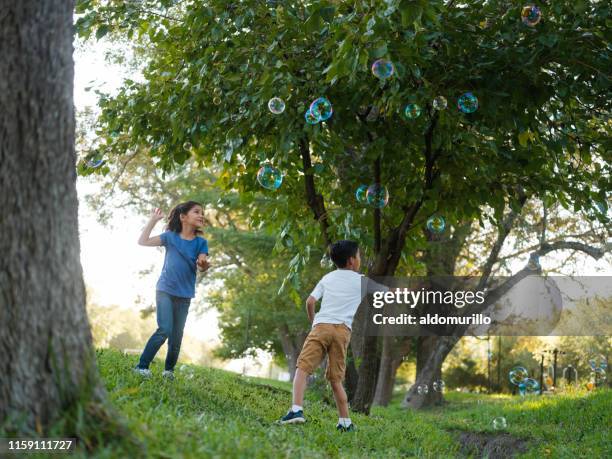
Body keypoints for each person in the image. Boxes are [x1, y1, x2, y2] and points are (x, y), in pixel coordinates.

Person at [279, 240, 388, 432]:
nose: (360, 259)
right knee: (336, 379)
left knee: (303, 368)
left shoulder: (327, 278)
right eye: (359, 256)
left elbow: (310, 302)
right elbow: (387, 292)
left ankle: (296, 410)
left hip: (321, 326)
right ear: (352, 261)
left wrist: (314, 322)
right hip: (342, 332)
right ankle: (345, 422)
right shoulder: (361, 281)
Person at [133, 201, 210, 380]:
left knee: (176, 337)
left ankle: (168, 371)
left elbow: (202, 264)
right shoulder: (169, 237)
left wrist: (203, 264)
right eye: (196, 212)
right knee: (164, 329)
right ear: (183, 217)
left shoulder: (201, 242)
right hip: (165, 290)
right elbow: (142, 241)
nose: (201, 215)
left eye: (202, 212)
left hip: (184, 295)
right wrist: (153, 220)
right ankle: (141, 366)